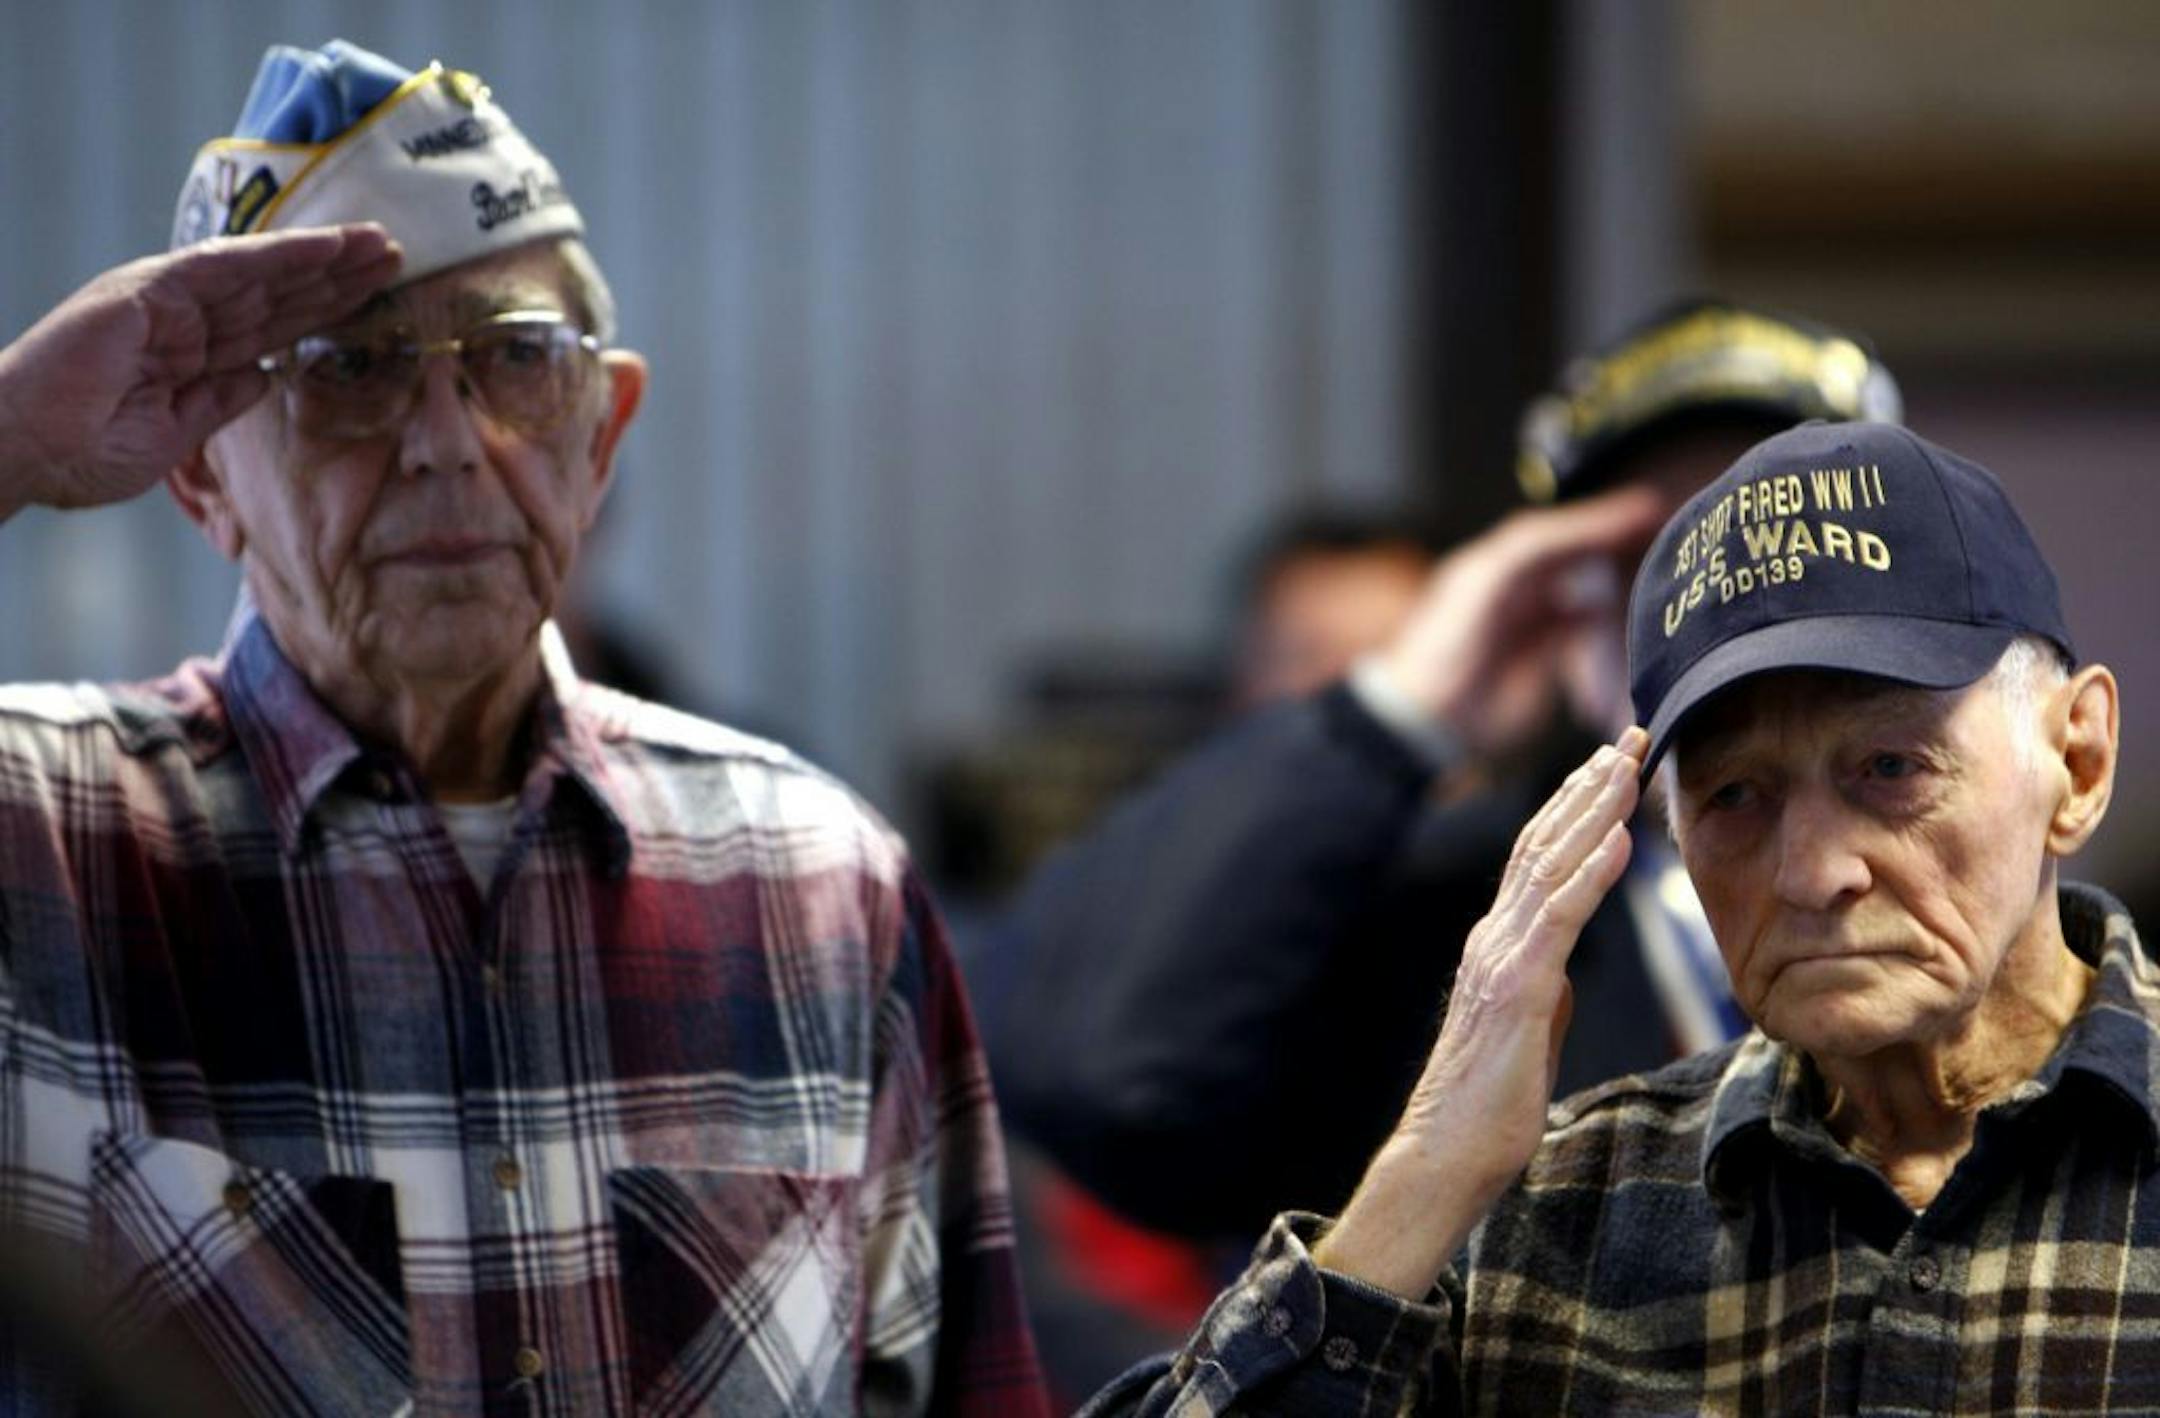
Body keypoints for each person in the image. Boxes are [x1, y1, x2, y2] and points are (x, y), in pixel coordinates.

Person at [0, 40, 1046, 1416]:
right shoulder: (44, 844)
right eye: (351, 369)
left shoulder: (816, 879)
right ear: (202, 473)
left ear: (601, 433)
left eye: (513, 362)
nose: (445, 438)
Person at [1084, 419, 2137, 1413]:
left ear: (2077, 760)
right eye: (1735, 794)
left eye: (1892, 767)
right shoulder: (1558, 1218)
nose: (1813, 871)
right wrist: (1430, 1168)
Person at [986, 300, 1906, 1247]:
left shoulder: (1986, 882)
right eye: (1659, 555)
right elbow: (1093, 1074)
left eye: (1784, 541)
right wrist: (1394, 716)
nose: (1721, 596)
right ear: (1576, 599)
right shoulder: (1470, 929)